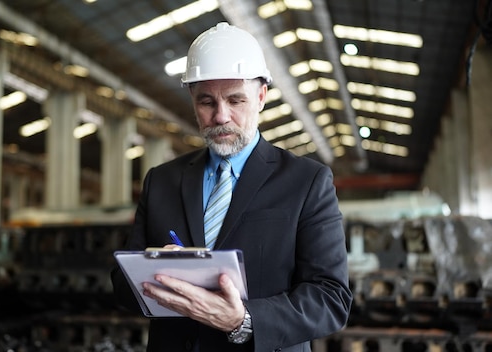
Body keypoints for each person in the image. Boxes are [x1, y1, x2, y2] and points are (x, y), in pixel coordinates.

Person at [111, 22, 352, 352]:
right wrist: (153, 272)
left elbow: (330, 297)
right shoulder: (161, 181)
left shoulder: (307, 182)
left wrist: (244, 320)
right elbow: (122, 285)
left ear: (261, 96)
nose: (221, 116)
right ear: (192, 99)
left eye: (236, 100)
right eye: (207, 102)